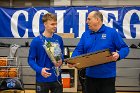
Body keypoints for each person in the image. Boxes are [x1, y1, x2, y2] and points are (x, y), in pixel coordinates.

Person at [69, 11, 129, 93]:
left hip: (107, 78)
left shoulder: (112, 33)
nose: (87, 22)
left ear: (97, 19)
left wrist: (119, 54)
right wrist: (72, 60)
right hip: (89, 77)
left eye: (89, 19)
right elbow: (79, 50)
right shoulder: (85, 35)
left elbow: (125, 48)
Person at [28, 13, 64, 93]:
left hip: (57, 79)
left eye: (56, 24)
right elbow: (30, 60)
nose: (55, 26)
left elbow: (61, 55)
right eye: (52, 24)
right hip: (42, 79)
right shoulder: (36, 41)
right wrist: (40, 70)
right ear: (45, 24)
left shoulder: (59, 39)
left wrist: (61, 60)